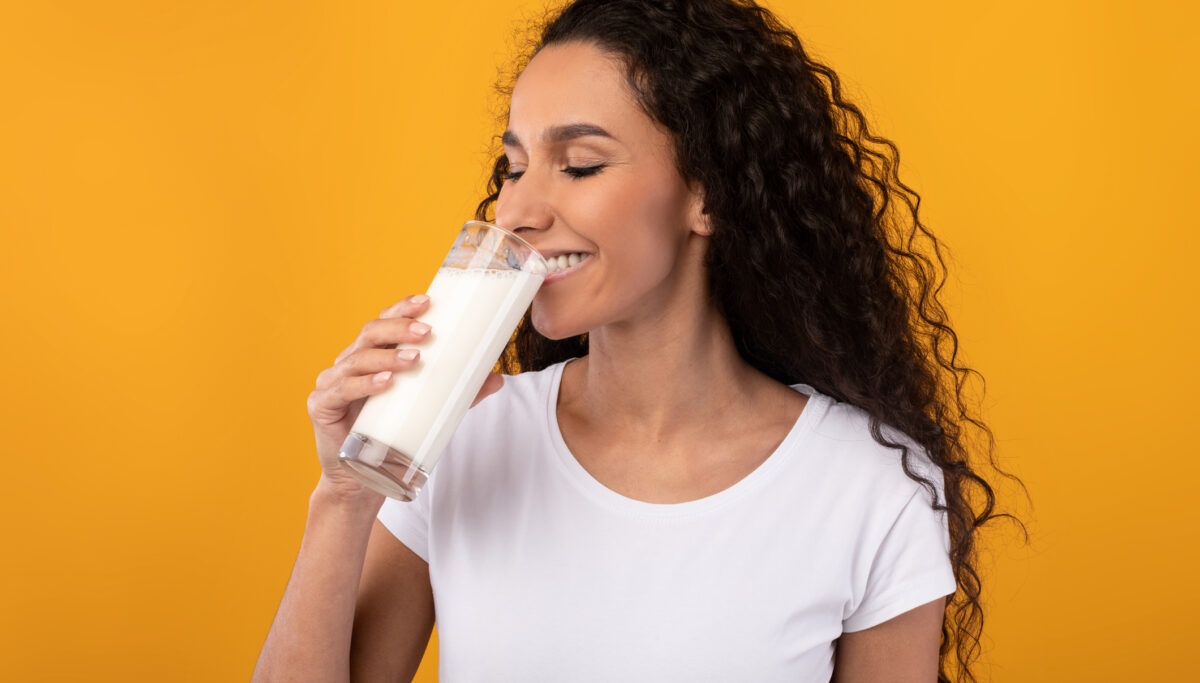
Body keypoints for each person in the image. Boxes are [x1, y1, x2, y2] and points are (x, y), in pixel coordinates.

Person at [254, 1, 1022, 681]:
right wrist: (345, 494)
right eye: (511, 166)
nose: (516, 209)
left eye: (579, 164)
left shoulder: (869, 484)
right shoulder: (463, 440)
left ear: (709, 196)